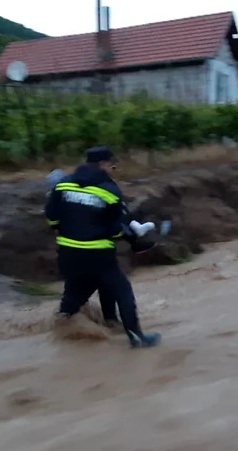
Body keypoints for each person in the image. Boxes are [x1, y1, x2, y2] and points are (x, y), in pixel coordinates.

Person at [45, 147, 161, 348]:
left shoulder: (62, 185)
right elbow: (115, 228)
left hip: (68, 253)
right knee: (122, 290)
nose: (112, 169)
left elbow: (51, 216)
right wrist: (129, 237)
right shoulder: (109, 190)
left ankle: (64, 336)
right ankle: (136, 337)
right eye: (111, 165)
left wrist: (62, 229)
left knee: (73, 295)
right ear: (103, 165)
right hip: (98, 253)